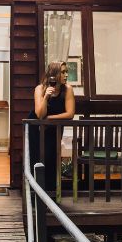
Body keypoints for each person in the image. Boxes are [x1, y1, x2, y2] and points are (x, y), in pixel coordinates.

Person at [27, 61, 76, 189]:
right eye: (63, 72)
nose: (66, 75)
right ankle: (34, 192)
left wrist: (50, 118)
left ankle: (51, 193)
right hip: (36, 128)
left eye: (66, 72)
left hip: (54, 128)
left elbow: (70, 113)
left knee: (51, 157)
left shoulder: (68, 89)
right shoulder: (40, 89)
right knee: (36, 156)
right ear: (54, 74)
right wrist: (46, 97)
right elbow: (39, 114)